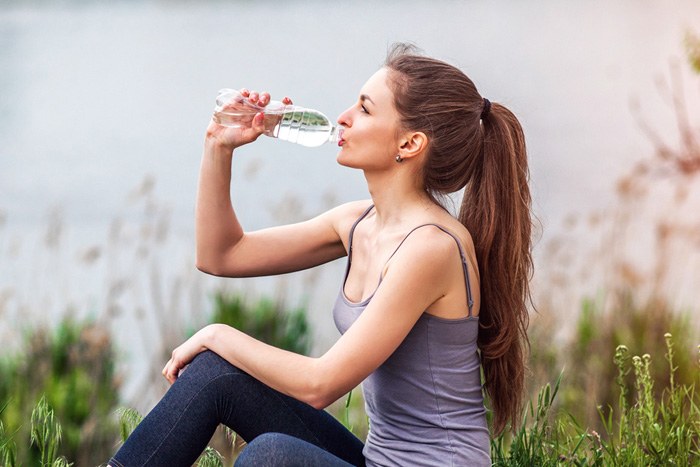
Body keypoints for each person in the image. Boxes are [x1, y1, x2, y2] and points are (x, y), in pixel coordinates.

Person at [108, 43, 533, 467]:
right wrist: (219, 146)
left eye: (365, 109)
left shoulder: (432, 248)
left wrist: (218, 333)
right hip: (378, 462)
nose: (344, 116)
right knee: (215, 375)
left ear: (410, 143)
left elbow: (321, 383)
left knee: (270, 459)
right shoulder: (357, 223)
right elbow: (222, 255)